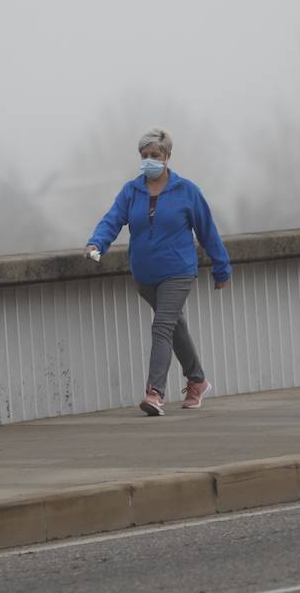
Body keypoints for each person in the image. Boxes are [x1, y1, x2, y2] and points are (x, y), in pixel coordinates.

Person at [86, 128, 231, 416]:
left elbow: (207, 231)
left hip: (178, 270)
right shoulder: (131, 191)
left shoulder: (187, 191)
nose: (149, 160)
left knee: (162, 326)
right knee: (174, 326)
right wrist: (96, 243)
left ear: (167, 157)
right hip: (145, 275)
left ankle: (155, 393)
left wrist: (221, 267)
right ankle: (198, 381)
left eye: (155, 155)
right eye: (144, 156)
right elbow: (112, 220)